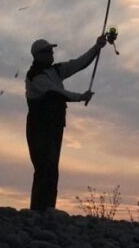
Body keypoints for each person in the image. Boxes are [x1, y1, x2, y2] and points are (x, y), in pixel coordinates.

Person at [25, 35, 106, 211]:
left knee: (52, 168)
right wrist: (80, 97)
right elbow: (55, 93)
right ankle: (39, 210)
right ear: (38, 55)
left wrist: (97, 47)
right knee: (44, 167)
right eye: (48, 51)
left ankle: (47, 209)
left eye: (51, 50)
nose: (52, 53)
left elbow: (79, 63)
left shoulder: (55, 71)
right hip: (39, 128)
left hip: (55, 126)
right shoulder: (35, 76)